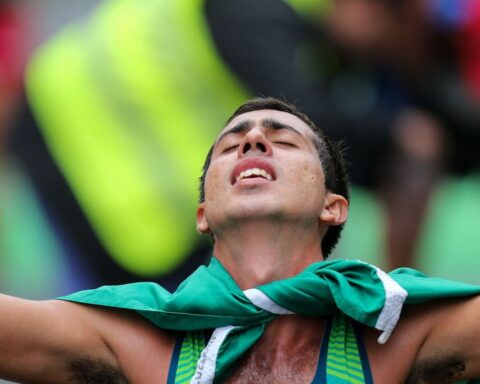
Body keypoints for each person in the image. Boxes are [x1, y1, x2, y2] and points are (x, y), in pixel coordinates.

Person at [2, 97, 480, 384]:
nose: (252, 140)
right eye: (231, 146)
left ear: (333, 208)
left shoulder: (396, 330)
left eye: (284, 141)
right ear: (204, 215)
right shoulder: (133, 337)